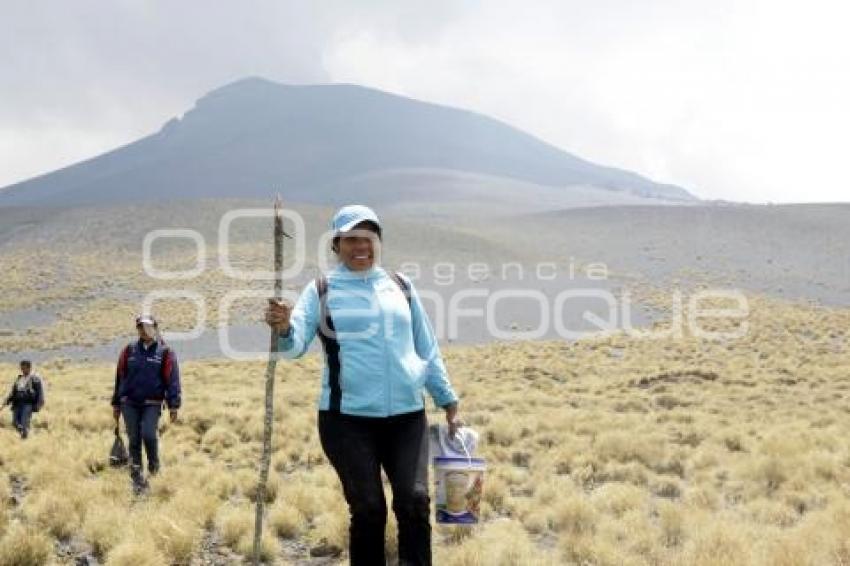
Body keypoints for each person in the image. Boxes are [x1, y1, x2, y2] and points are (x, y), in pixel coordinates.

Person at [265, 204, 462, 566]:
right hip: (346, 420)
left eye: (368, 238)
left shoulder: (400, 286)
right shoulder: (321, 289)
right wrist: (282, 328)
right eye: (352, 239)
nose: (361, 246)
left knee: (415, 501)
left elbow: (426, 347)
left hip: (407, 416)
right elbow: (293, 347)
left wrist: (447, 399)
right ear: (337, 244)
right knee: (369, 507)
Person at [111, 314, 181, 493]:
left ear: (155, 328)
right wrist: (116, 404)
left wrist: (174, 404)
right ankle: (136, 473)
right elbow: (120, 377)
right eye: (140, 327)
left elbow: (172, 380)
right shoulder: (129, 350)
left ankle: (154, 466)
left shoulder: (165, 352)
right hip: (129, 403)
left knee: (149, 434)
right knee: (134, 438)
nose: (144, 330)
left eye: (147, 326)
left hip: (153, 402)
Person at [3, 360, 45, 439]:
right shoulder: (19, 378)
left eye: (24, 368)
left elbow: (40, 392)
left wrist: (39, 404)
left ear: (29, 368)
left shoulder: (35, 379)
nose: (23, 370)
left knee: (24, 422)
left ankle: (25, 437)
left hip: (27, 404)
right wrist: (7, 400)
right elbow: (13, 392)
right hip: (17, 403)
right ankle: (24, 433)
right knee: (15, 423)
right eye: (21, 368)